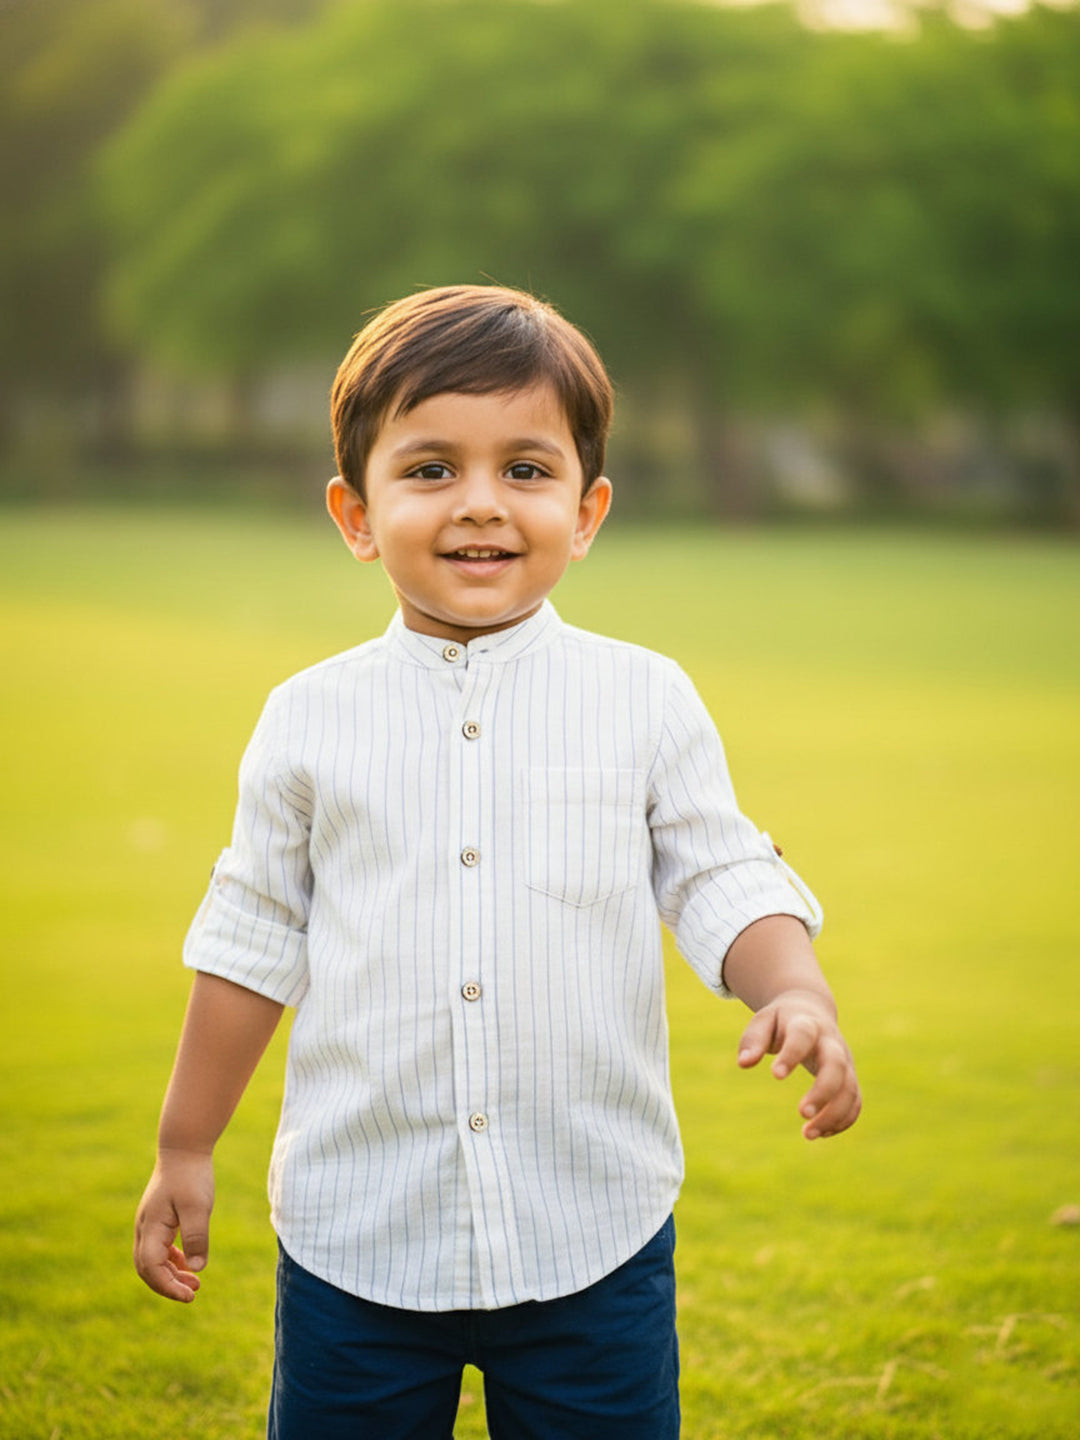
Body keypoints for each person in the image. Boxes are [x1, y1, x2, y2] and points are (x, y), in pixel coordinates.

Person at [133, 283, 861, 1439]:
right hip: (358, 1238)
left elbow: (720, 872)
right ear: (355, 512)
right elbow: (252, 938)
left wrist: (797, 990)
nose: (481, 505)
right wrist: (185, 1141)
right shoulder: (309, 718)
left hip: (593, 1235)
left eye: (527, 470)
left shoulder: (643, 699)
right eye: (429, 470)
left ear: (588, 509)